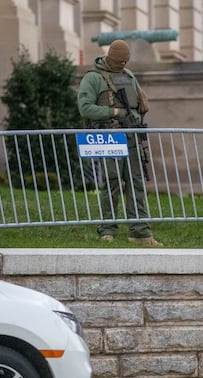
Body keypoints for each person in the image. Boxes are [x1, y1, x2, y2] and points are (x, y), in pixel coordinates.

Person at [77, 39, 162, 247]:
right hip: (108, 136)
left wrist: (139, 111)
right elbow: (85, 108)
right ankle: (108, 229)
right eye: (119, 61)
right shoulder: (93, 78)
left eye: (125, 61)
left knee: (136, 182)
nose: (122, 64)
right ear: (110, 57)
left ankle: (140, 231)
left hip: (131, 135)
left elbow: (138, 105)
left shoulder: (129, 76)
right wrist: (114, 112)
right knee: (112, 181)